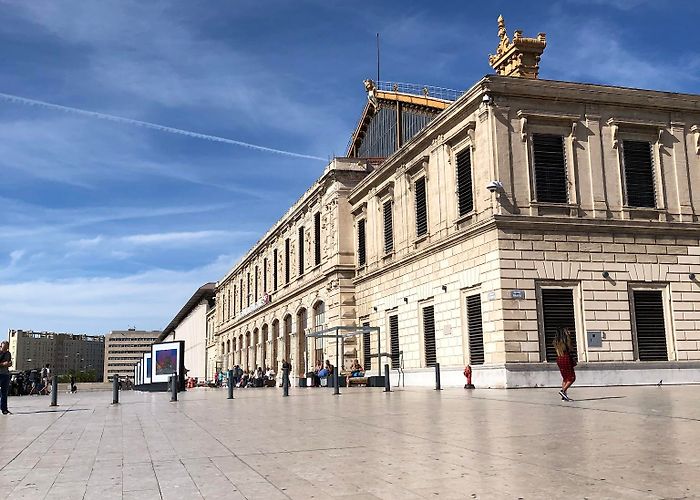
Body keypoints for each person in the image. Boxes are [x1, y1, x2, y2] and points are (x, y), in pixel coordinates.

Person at [554, 327, 577, 401]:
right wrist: (569, 337)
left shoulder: (556, 342)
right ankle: (563, 391)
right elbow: (571, 348)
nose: (569, 331)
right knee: (571, 377)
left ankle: (564, 396)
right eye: (567, 331)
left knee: (565, 378)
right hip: (566, 358)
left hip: (559, 359)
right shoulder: (566, 341)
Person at [0, 341, 12, 415]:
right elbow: (4, 363)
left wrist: (9, 364)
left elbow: (9, 362)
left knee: (4, 393)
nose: (5, 349)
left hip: (5, 374)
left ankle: (4, 409)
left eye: (6, 347)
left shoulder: (8, 353)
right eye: (4, 347)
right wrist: (3, 364)